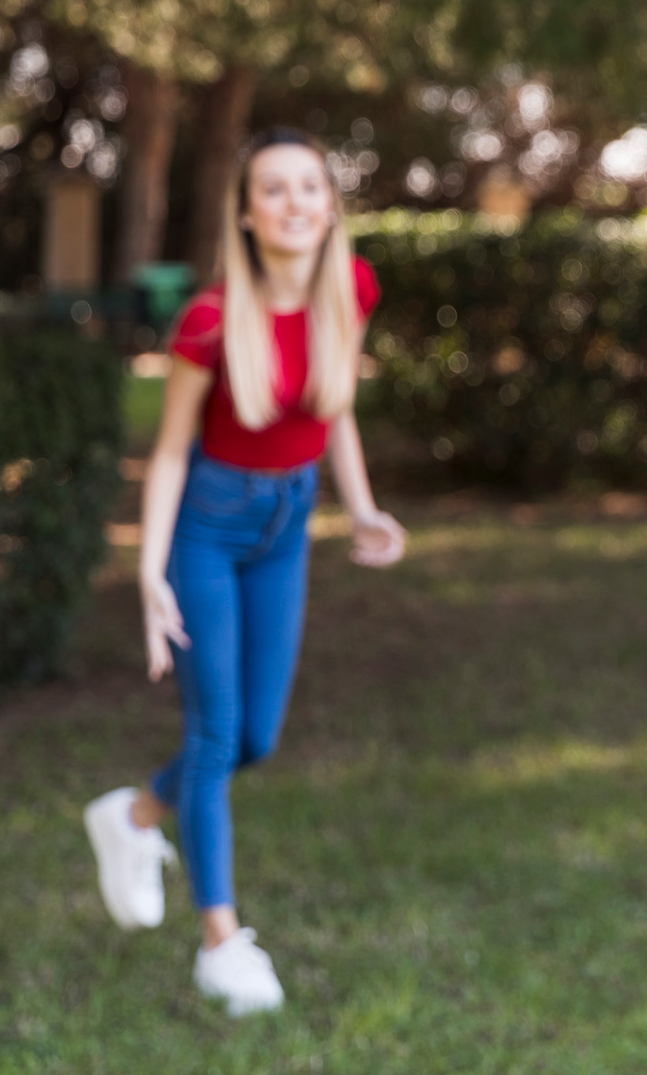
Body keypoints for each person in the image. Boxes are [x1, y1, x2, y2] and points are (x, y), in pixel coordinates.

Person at [83, 127, 407, 1017]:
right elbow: (172, 453)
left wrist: (363, 507)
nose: (295, 202)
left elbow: (332, 406)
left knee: (257, 738)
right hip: (207, 535)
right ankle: (223, 944)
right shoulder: (212, 321)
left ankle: (136, 816)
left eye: (310, 186)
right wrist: (150, 575)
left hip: (288, 525)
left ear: (330, 206)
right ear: (248, 215)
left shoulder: (355, 289)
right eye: (274, 189)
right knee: (217, 738)